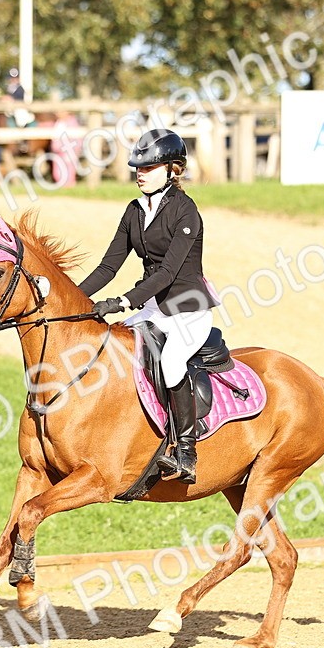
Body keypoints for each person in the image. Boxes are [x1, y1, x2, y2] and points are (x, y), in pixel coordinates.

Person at [80, 129, 217, 484]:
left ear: (172, 169)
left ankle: (186, 451)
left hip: (188, 309)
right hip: (155, 308)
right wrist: (74, 299)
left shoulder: (186, 211)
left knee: (171, 362)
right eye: (137, 166)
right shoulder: (134, 211)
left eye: (149, 166)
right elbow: (109, 266)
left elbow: (169, 272)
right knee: (114, 347)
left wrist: (124, 301)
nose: (140, 172)